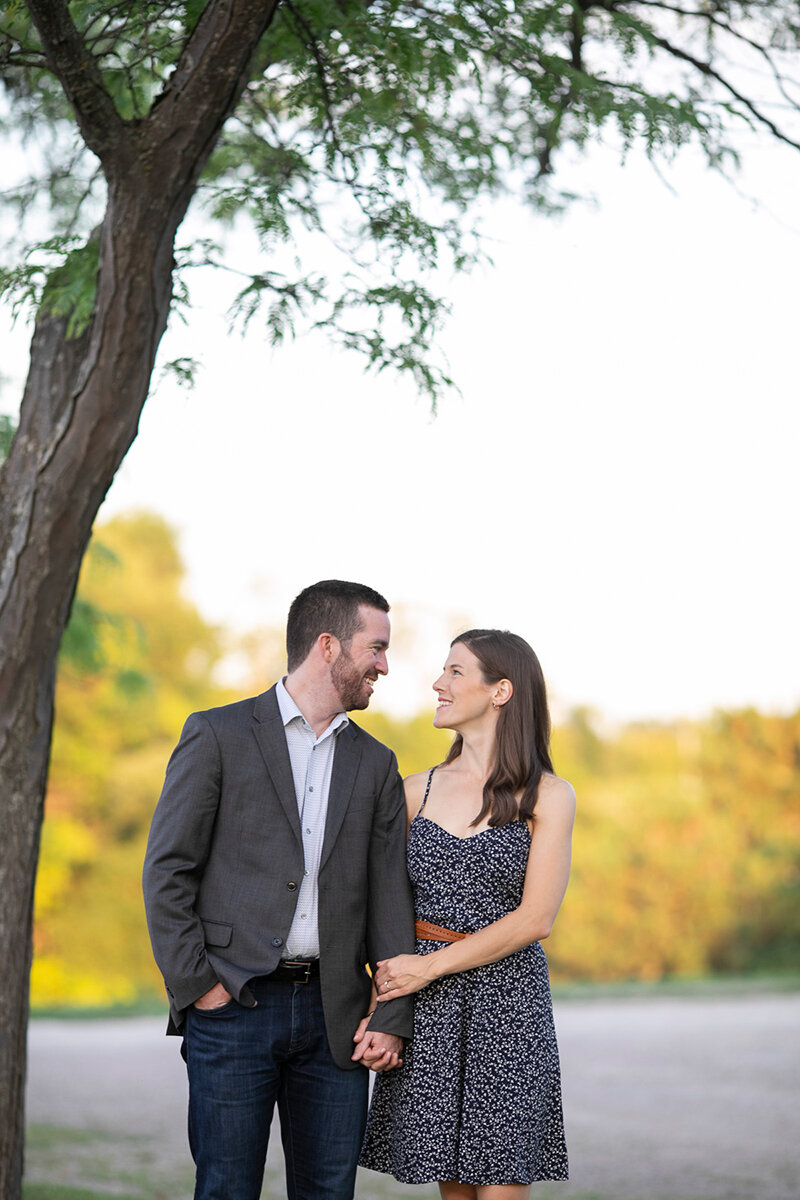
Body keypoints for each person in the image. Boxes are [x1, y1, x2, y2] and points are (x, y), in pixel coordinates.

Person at [142, 580, 415, 1200]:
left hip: (336, 1018)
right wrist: (199, 987)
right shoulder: (217, 734)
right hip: (233, 1005)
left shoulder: (376, 763)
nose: (385, 665)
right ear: (328, 646)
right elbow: (167, 871)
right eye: (375, 648)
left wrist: (392, 1011)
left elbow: (390, 897)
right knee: (225, 1189)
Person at [358, 629, 575, 1200]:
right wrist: (382, 1009)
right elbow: (384, 911)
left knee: (501, 1185)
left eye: (455, 671)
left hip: (507, 1002)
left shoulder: (548, 795)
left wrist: (428, 968)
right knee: (452, 1189)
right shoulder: (413, 791)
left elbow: (536, 920)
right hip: (426, 1007)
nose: (438, 682)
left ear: (501, 690)